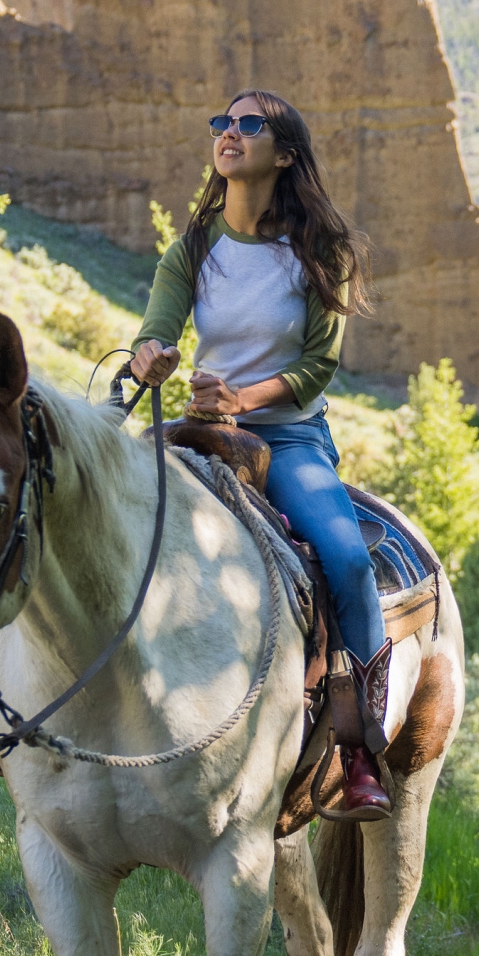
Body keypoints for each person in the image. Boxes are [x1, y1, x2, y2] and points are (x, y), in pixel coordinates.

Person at [127, 90, 394, 821]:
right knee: (104, 510)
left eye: (250, 124)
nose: (230, 133)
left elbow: (316, 368)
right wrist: (149, 356)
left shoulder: (322, 253)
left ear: (284, 152)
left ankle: (362, 749)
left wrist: (241, 398)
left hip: (290, 437)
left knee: (344, 559)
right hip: (202, 427)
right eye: (222, 122)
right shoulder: (192, 248)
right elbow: (153, 330)